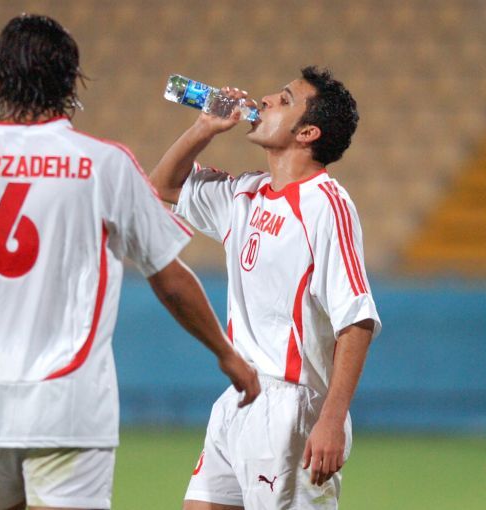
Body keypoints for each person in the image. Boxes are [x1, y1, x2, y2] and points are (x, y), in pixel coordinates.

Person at [0, 14, 259, 510]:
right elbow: (169, 278)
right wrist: (226, 354)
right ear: (71, 82)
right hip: (68, 406)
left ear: (0, 77)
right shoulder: (104, 164)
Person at [150, 67, 382, 509]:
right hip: (240, 398)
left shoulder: (327, 206)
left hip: (291, 410)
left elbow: (357, 319)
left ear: (307, 133)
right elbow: (164, 185)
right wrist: (204, 128)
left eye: (285, 99)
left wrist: (332, 419)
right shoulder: (247, 192)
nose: (267, 100)